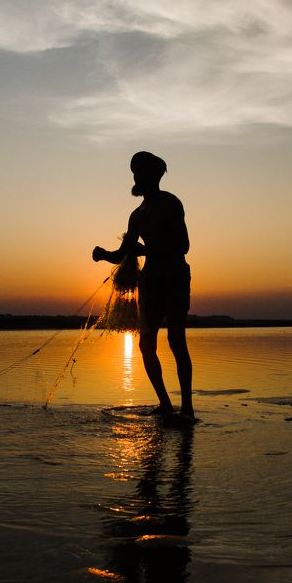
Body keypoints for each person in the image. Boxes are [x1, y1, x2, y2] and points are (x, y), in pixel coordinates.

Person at [93, 152, 195, 425]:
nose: (137, 178)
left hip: (174, 276)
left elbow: (183, 246)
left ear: (155, 176)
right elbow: (125, 253)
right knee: (146, 345)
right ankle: (165, 405)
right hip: (150, 282)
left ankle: (187, 409)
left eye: (141, 173)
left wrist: (147, 249)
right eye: (134, 173)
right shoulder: (136, 215)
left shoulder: (171, 204)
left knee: (176, 341)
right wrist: (105, 255)